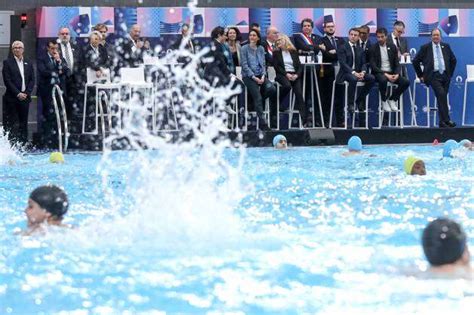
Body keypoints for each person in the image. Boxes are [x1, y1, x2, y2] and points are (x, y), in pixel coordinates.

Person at [413, 28, 457, 128]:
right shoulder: (425, 47)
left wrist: (450, 74)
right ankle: (447, 119)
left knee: (442, 96)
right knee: (441, 94)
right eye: (434, 35)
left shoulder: (446, 46)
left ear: (440, 36)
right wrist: (421, 75)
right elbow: (415, 61)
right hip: (432, 76)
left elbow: (453, 60)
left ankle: (442, 122)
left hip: (445, 76)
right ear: (431, 37)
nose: (436, 37)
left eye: (437, 35)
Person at [241, 29, 277, 130]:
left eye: (254, 35)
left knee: (272, 89)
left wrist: (262, 76)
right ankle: (263, 124)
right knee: (258, 97)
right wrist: (254, 78)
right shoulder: (244, 48)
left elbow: (264, 64)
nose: (252, 37)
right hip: (249, 76)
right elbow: (244, 65)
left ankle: (255, 103)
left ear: (258, 38)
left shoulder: (261, 48)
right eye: (250, 35)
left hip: (260, 75)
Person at [37, 40, 70, 148]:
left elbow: (66, 70)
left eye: (56, 48)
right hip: (47, 92)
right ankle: (47, 141)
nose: (54, 51)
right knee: (48, 116)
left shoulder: (60, 59)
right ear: (47, 48)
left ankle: (57, 140)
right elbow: (44, 72)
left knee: (59, 116)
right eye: (52, 48)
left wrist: (59, 61)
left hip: (59, 92)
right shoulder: (42, 59)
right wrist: (57, 72)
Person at [2, 41, 35, 146]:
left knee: (23, 123)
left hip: (25, 98)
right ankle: (12, 146)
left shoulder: (29, 63)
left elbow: (32, 80)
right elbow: (7, 81)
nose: (17, 49)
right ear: (12, 50)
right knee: (12, 124)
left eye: (19, 47)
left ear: (23, 49)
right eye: (15, 48)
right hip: (12, 98)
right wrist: (18, 93)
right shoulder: (7, 63)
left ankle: (23, 145)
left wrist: (26, 93)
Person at [272, 34, 310, 126]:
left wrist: (297, 75)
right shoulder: (276, 53)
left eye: (280, 40)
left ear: (285, 40)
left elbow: (299, 66)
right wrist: (286, 74)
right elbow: (277, 67)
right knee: (287, 86)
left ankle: (304, 120)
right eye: (277, 41)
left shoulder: (293, 51)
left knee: (299, 94)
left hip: (295, 74)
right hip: (282, 74)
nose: (278, 42)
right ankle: (277, 102)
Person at [370, 27, 410, 112]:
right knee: (383, 80)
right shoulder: (373, 48)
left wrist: (397, 74)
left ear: (386, 37)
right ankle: (384, 100)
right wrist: (385, 74)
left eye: (382, 37)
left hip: (391, 73)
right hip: (379, 73)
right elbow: (373, 66)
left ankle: (392, 99)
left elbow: (396, 63)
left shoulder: (392, 47)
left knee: (405, 82)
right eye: (378, 37)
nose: (380, 39)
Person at [336, 28, 375, 114]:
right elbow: (343, 64)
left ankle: (360, 100)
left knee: (371, 78)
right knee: (353, 78)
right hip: (346, 74)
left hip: (358, 73)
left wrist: (363, 72)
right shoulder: (342, 47)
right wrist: (354, 72)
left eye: (355, 35)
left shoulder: (360, 49)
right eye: (351, 34)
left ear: (358, 37)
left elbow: (364, 63)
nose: (353, 37)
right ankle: (351, 104)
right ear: (348, 35)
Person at [319, 20, 346, 127]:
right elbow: (326, 55)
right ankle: (327, 121)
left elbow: (344, 53)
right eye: (328, 27)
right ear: (324, 29)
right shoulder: (321, 40)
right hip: (327, 73)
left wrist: (334, 52)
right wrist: (332, 53)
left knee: (340, 97)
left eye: (332, 26)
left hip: (340, 72)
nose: (331, 28)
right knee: (328, 98)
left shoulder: (341, 40)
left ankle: (340, 121)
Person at [57, 27, 80, 117]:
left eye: (67, 34)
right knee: (63, 102)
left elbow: (80, 62)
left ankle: (72, 120)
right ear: (59, 36)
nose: (65, 36)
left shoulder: (75, 46)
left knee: (73, 103)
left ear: (70, 35)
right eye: (62, 34)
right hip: (61, 79)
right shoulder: (56, 48)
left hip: (74, 79)